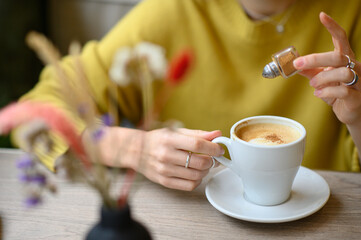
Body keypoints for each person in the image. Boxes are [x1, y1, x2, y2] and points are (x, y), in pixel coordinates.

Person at [18, 0, 361, 191]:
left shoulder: (350, 16)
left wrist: (359, 117)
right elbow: (36, 111)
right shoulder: (171, 12)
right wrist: (135, 148)